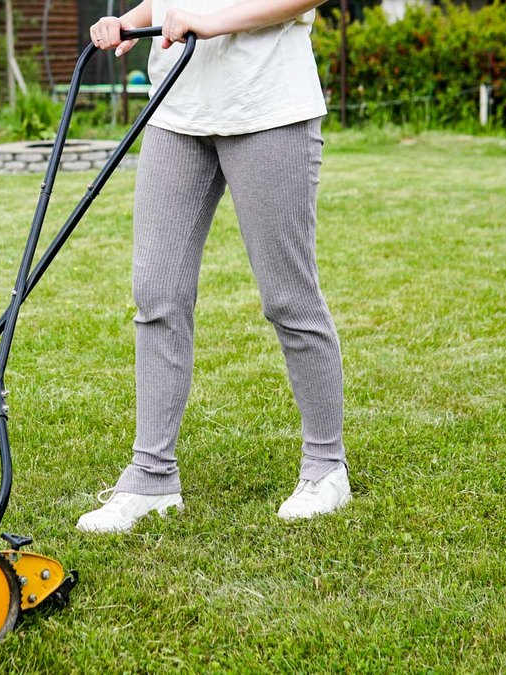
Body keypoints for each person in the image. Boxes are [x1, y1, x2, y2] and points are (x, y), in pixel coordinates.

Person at [77, 0, 350, 533]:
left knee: (288, 297)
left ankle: (326, 467)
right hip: (176, 110)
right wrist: (131, 21)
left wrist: (213, 19)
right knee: (156, 296)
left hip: (268, 108)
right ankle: (152, 478)